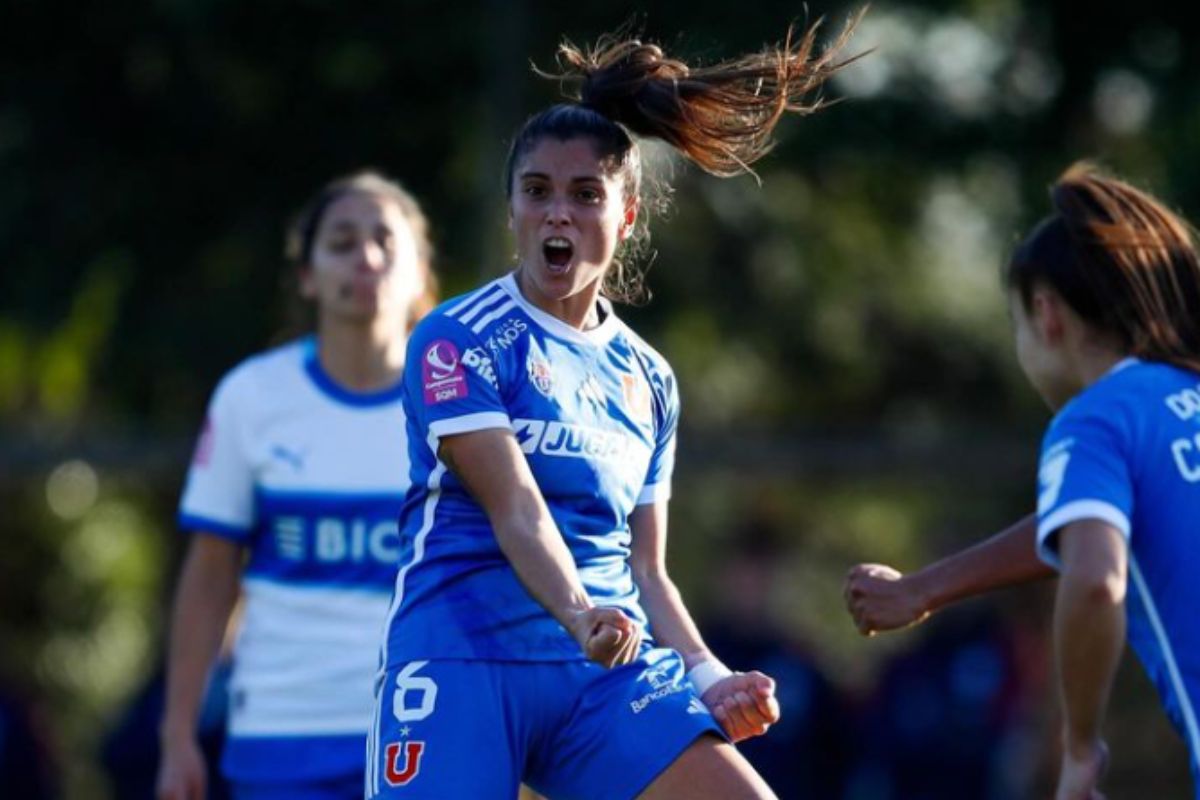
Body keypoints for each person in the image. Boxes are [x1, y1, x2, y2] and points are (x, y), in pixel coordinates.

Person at [365, 18, 861, 800]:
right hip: (461, 658)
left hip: (602, 675)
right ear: (511, 212)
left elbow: (646, 566)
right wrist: (576, 613)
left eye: (584, 195)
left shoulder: (648, 377)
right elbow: (518, 511)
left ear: (626, 218)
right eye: (537, 192)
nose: (556, 213)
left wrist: (706, 672)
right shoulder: (457, 340)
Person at [844, 164, 1200, 799]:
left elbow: (1094, 579)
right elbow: (1085, 523)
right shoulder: (1181, 400)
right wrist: (924, 591)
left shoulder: (1098, 417)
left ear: (1046, 314)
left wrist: (1081, 747)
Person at [156, 170, 438, 800]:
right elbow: (208, 575)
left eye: (384, 241)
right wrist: (177, 736)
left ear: (420, 270)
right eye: (341, 242)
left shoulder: (462, 405)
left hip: (426, 734)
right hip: (281, 739)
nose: (365, 257)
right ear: (307, 274)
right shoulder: (251, 398)